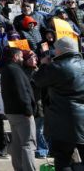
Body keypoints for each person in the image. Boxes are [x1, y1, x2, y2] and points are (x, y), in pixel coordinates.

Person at [32, 36, 84, 171]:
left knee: (63, 158)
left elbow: (37, 80)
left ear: (61, 50)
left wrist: (43, 64)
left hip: (63, 120)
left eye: (56, 49)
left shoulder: (57, 66)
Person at [0, 47, 36, 171]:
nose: (22, 59)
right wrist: (28, 110)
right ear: (15, 57)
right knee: (28, 145)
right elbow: (22, 92)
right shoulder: (15, 70)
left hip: (12, 112)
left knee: (17, 144)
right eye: (20, 56)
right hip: (22, 113)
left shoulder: (6, 69)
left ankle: (19, 168)